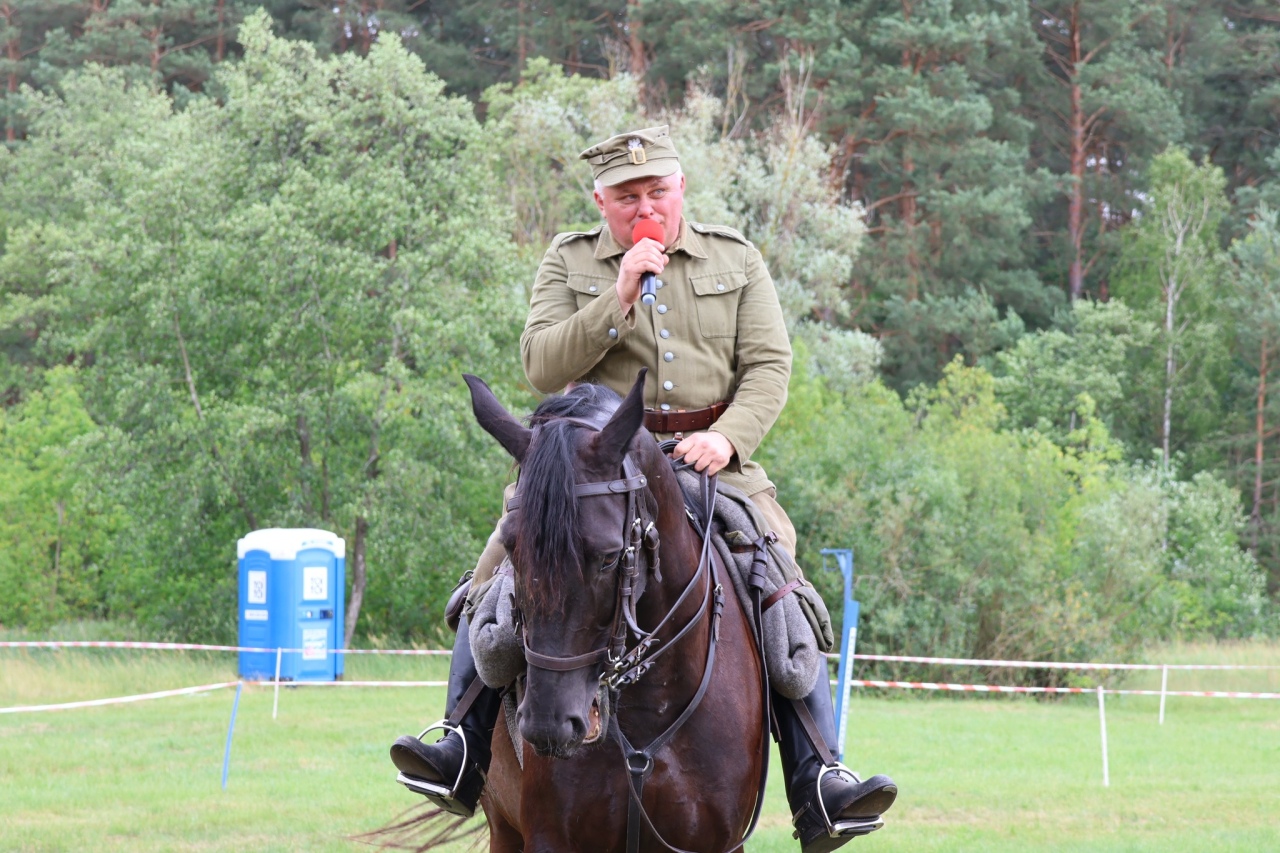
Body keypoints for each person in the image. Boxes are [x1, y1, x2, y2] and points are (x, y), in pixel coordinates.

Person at [390, 125, 897, 852]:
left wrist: (729, 437)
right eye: (627, 196)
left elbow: (769, 368)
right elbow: (539, 363)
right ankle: (461, 749)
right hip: (591, 469)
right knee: (497, 570)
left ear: (679, 187)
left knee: (779, 580)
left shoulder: (736, 257)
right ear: (602, 200)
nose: (644, 205)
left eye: (657, 189)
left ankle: (820, 779)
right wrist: (619, 293)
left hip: (709, 465)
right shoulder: (570, 260)